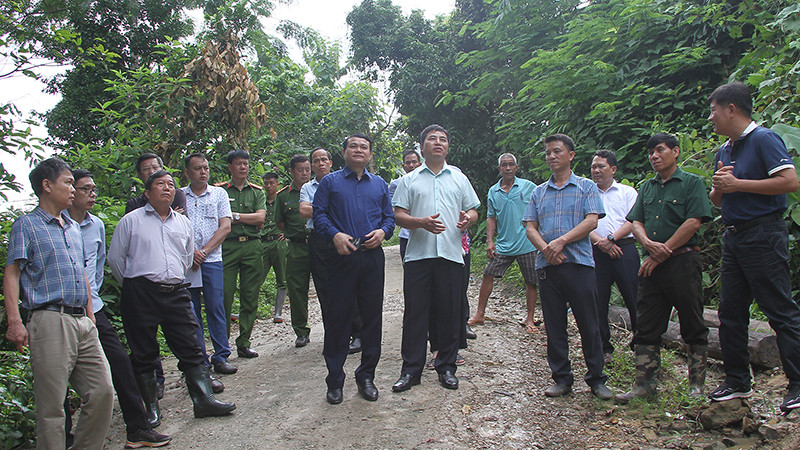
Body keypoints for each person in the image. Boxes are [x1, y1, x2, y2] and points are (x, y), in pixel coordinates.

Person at [4, 157, 114, 449]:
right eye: (68, 183)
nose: (73, 189)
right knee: (52, 408)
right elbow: (12, 273)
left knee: (102, 392)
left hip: (83, 322)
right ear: (47, 185)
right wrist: (15, 320)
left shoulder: (73, 228)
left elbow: (82, 273)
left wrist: (90, 316)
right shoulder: (26, 226)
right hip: (50, 320)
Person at [109, 170, 236, 421]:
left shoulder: (182, 222)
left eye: (170, 184)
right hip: (141, 293)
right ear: (147, 193)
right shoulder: (131, 221)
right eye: (160, 184)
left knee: (190, 346)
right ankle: (150, 409)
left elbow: (187, 258)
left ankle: (203, 400)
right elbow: (116, 259)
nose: (167, 188)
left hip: (176, 291)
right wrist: (135, 285)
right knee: (144, 351)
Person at [707, 82, 800, 412]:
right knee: (730, 311)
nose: (711, 118)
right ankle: (737, 380)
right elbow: (718, 199)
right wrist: (721, 187)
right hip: (734, 236)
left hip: (763, 234)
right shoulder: (725, 150)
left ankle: (797, 383)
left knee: (779, 309)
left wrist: (738, 184)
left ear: (731, 109)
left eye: (714, 111)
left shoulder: (764, 139)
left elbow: (789, 181)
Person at [64, 169, 170, 448]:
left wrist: (91, 297)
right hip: (62, 310)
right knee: (60, 379)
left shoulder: (96, 225)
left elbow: (98, 266)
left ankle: (138, 429)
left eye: (94, 189)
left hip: (93, 307)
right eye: (85, 189)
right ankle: (64, 438)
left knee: (121, 364)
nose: (92, 194)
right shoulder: (58, 224)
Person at [616, 133, 711, 403]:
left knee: (692, 322)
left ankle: (696, 386)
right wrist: (647, 243)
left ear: (675, 151)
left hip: (683, 262)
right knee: (646, 324)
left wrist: (662, 252)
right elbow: (636, 221)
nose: (654, 156)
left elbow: (694, 222)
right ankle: (644, 385)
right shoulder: (647, 187)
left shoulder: (691, 183)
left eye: (660, 150)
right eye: (651, 153)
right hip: (651, 266)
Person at [523, 134, 613, 400]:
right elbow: (530, 227)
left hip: (579, 264)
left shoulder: (586, 187)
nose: (551, 156)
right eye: (548, 152)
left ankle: (597, 379)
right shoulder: (538, 192)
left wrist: (560, 242)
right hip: (548, 267)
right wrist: (546, 250)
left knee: (589, 324)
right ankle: (562, 378)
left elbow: (592, 221)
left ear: (571, 155)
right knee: (554, 325)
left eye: (557, 151)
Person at [391, 124, 480, 392]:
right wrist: (420, 222)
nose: (438, 142)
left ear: (448, 146)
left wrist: (467, 219)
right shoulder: (410, 180)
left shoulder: (459, 178)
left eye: (443, 139)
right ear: (422, 147)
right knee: (415, 314)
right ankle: (411, 370)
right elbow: (398, 215)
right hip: (418, 256)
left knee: (450, 312)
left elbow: (473, 210)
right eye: (432, 139)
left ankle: (447, 367)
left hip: (451, 255)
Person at [313, 133, 395, 404]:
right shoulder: (330, 182)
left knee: (372, 318)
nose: (359, 150)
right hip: (341, 258)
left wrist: (383, 232)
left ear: (370, 154)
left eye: (364, 147)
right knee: (338, 319)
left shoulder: (380, 184)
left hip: (372, 259)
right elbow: (319, 214)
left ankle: (366, 376)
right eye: (353, 146)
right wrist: (334, 234)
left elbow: (389, 218)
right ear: (344, 152)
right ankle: (334, 380)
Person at [124, 152, 182, 397]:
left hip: (174, 287)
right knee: (145, 342)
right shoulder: (132, 214)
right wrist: (137, 280)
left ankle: (201, 389)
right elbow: (119, 257)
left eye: (155, 167)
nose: (152, 171)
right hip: (142, 288)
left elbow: (185, 250)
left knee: (186, 337)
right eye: (146, 169)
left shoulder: (179, 211)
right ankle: (152, 392)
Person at [300, 148, 364, 353]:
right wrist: (330, 208)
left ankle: (358, 334)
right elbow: (304, 210)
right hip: (319, 240)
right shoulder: (307, 187)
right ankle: (335, 336)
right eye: (316, 160)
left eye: (323, 159)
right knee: (325, 288)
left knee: (351, 285)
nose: (320, 163)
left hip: (345, 236)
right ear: (311, 165)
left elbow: (350, 207)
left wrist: (321, 209)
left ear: (330, 163)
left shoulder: (342, 181)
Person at [468, 153, 539, 333]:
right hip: (504, 244)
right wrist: (490, 241)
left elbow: (541, 207)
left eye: (511, 164)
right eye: (504, 165)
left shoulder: (529, 187)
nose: (508, 168)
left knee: (531, 281)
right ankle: (480, 314)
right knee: (488, 274)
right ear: (499, 168)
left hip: (527, 243)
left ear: (516, 167)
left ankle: (530, 318)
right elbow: (491, 217)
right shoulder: (493, 191)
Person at [182, 153, 237, 376]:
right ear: (187, 173)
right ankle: (200, 358)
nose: (203, 172)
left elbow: (225, 227)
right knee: (191, 311)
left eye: (205, 168)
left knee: (216, 307)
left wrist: (204, 252)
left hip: (212, 259)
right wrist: (191, 254)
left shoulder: (219, 194)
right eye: (197, 168)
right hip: (187, 262)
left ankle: (221, 355)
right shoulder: (179, 196)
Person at [589, 150, 639, 363]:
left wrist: (612, 239)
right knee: (597, 301)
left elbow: (633, 220)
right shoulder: (588, 193)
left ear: (613, 169)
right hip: (596, 251)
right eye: (593, 167)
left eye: (601, 166)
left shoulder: (627, 192)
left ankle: (641, 344)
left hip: (624, 249)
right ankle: (604, 348)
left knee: (634, 297)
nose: (596, 170)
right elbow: (582, 222)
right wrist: (602, 243)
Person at [219, 149, 266, 358]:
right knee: (224, 296)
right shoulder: (220, 191)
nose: (243, 167)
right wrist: (248, 217)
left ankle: (244, 342)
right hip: (226, 247)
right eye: (238, 163)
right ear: (230, 167)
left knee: (250, 296)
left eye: (246, 164)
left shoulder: (257, 192)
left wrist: (233, 216)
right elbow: (218, 219)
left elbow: (260, 218)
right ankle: (222, 346)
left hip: (252, 247)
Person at [276, 154, 313, 347]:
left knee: (328, 288)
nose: (304, 173)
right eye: (300, 170)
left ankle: (334, 329)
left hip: (318, 244)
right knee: (297, 291)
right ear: (292, 171)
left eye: (307, 169)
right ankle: (301, 331)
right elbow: (280, 223)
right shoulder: (283, 195)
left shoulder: (319, 189)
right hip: (296, 247)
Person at [260, 171, 288, 323]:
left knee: (281, 278)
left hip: (279, 241)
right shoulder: (261, 200)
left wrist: (287, 233)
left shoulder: (282, 199)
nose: (269, 186)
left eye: (272, 183)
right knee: (257, 277)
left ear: (277, 184)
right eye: (266, 183)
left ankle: (278, 313)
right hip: (263, 241)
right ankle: (248, 310)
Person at [388, 148, 422, 260]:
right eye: (408, 163)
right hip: (407, 235)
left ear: (420, 164)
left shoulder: (429, 182)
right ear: (403, 166)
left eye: (414, 162)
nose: (411, 165)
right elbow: (391, 209)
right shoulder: (396, 184)